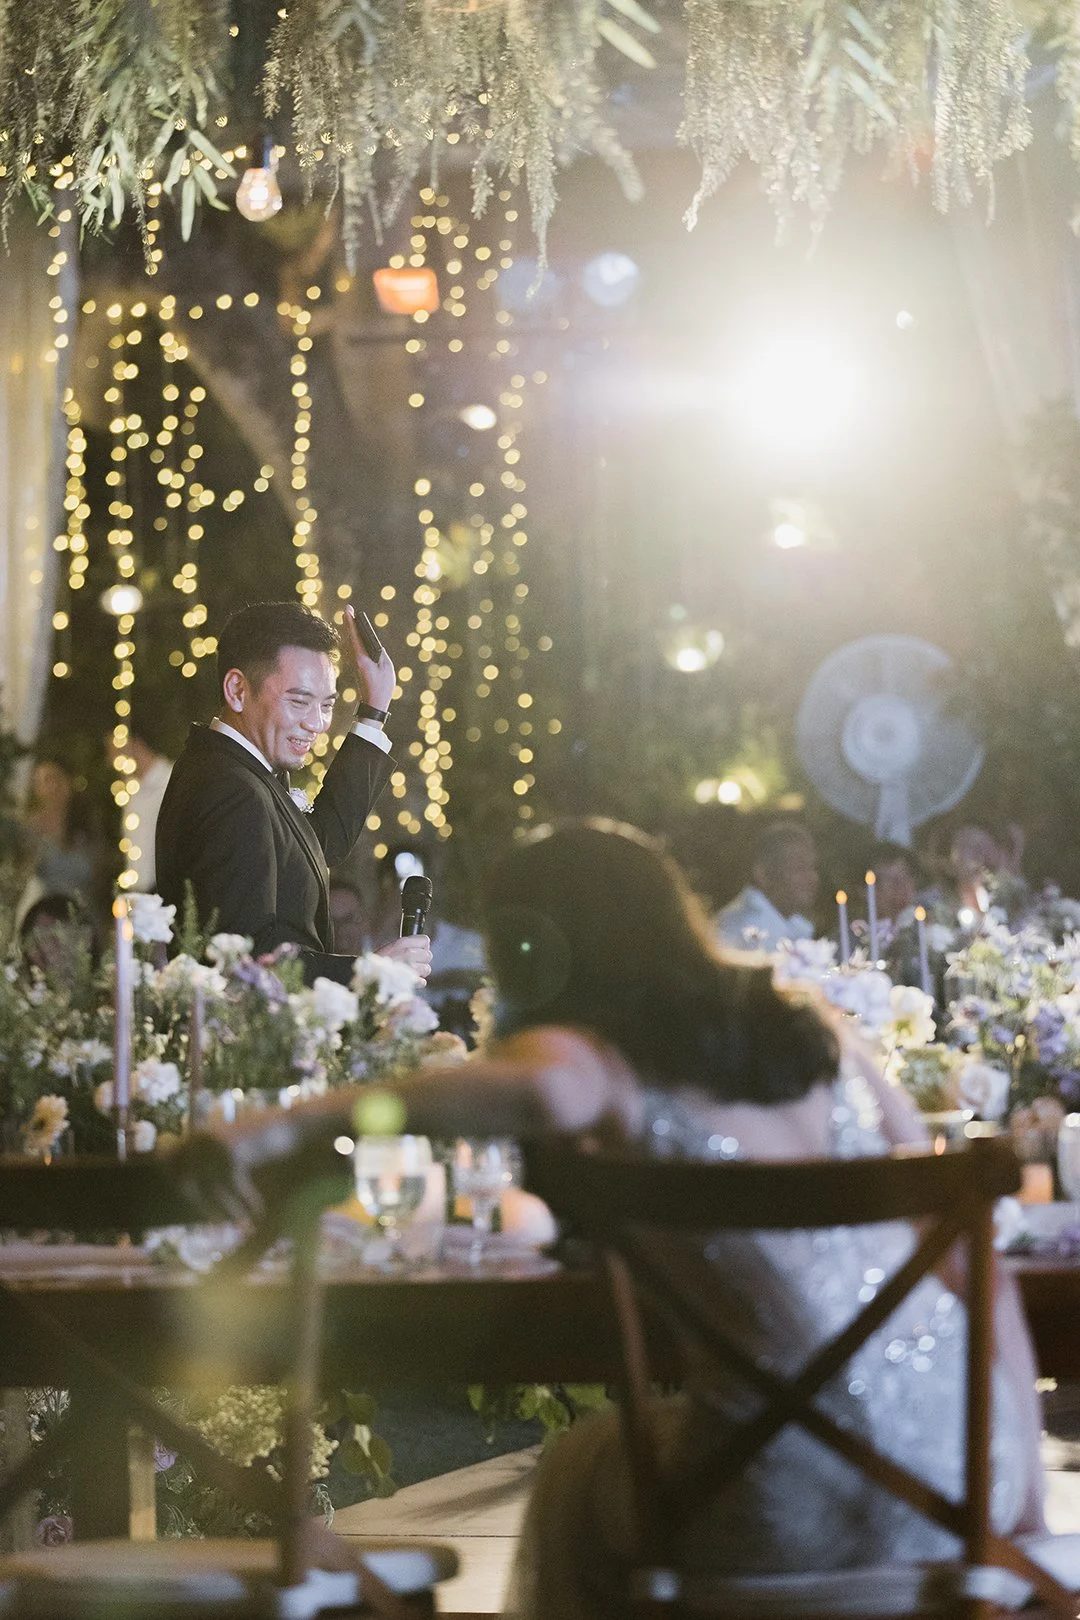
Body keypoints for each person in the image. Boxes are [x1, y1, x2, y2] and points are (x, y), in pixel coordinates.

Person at [181, 819, 1045, 1614]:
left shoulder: (592, 1057)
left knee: (576, 1472)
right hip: (970, 1471)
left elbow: (544, 1087)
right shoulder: (813, 1033)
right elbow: (977, 1268)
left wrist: (274, 1128)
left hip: (781, 1499)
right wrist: (1026, 1490)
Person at [156, 601, 430, 986]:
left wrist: (376, 707)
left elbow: (317, 844)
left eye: (328, 704)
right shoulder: (231, 789)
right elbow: (245, 958)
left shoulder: (237, 770)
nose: (316, 723)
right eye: (299, 701)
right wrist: (369, 972)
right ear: (237, 689)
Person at [713, 819, 818, 952]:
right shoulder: (744, 929)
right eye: (799, 867)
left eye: (812, 867)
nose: (813, 877)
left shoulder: (797, 925)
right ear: (762, 874)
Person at [18, 756, 99, 921]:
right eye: (41, 782)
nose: (49, 788)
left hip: (80, 919)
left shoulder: (86, 829)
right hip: (43, 919)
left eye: (52, 779)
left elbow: (99, 881)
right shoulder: (30, 830)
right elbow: (20, 878)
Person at [106, 710, 174, 893]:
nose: (111, 760)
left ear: (134, 744)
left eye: (115, 752)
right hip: (139, 898)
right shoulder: (130, 793)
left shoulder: (171, 782)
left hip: (168, 896)